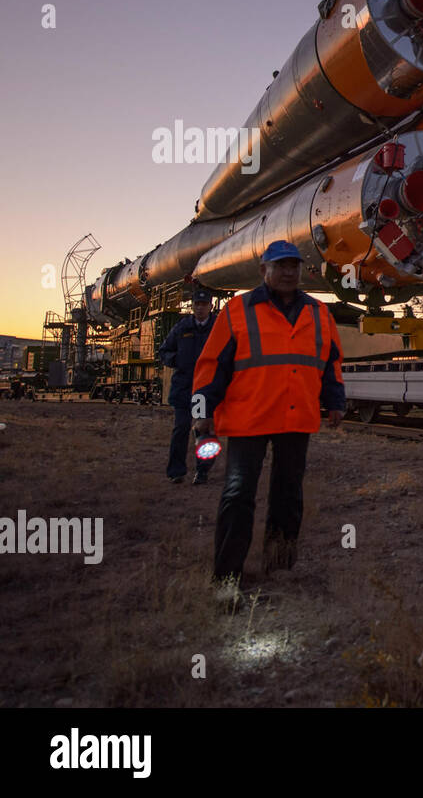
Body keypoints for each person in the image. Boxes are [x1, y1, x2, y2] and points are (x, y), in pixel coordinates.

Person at [191, 240, 347, 587]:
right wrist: (202, 411)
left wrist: (335, 401)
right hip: (250, 418)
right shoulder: (237, 309)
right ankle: (227, 575)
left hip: (296, 418)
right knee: (238, 493)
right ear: (264, 270)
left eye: (294, 266)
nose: (289, 272)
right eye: (281, 266)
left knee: (288, 493)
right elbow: (210, 366)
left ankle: (279, 566)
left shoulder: (319, 312)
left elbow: (331, 361)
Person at [159, 287, 218, 484]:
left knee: (203, 430)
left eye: (204, 304)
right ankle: (176, 471)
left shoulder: (217, 328)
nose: (200, 308)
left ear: (211, 306)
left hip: (203, 390)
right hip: (184, 388)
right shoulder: (182, 328)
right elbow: (164, 351)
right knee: (181, 428)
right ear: (192, 306)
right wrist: (177, 360)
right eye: (196, 304)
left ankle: (202, 471)